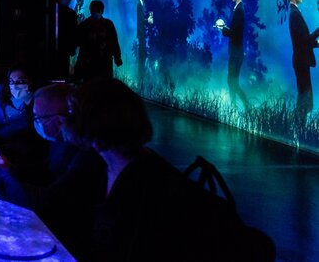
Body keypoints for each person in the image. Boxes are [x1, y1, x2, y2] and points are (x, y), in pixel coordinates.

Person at [73, 78, 273, 261]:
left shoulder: (156, 191)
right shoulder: (112, 169)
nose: (65, 121)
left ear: (96, 124)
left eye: (72, 114)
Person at [0, 84, 105, 259]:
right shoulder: (61, 142)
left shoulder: (86, 155)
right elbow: (44, 170)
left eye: (38, 118)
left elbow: (45, 202)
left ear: (60, 120)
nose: (36, 122)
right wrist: (7, 168)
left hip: (65, 242)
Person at [283, 0, 319, 128]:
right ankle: (294, 128)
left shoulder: (295, 12)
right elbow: (304, 41)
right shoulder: (294, 14)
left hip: (301, 61)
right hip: (301, 61)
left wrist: (317, 43)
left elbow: (303, 41)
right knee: (305, 100)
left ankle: (294, 128)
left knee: (305, 99)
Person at [216, 0, 252, 112]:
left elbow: (235, 34)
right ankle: (236, 107)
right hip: (236, 52)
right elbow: (235, 31)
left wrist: (223, 29)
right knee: (232, 81)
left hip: (236, 53)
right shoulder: (238, 9)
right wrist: (225, 28)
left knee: (232, 82)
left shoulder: (239, 10)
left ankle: (244, 106)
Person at [76, 0, 122, 82]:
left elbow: (114, 41)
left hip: (101, 62)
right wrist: (117, 58)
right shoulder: (85, 25)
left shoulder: (85, 25)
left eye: (97, 10)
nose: (96, 13)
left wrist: (117, 57)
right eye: (94, 10)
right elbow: (114, 42)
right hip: (92, 62)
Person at [55, 0, 78, 80]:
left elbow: (74, 32)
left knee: (62, 73)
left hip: (64, 49)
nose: (68, 0)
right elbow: (74, 32)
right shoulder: (71, 13)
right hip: (61, 48)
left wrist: (72, 48)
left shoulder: (71, 14)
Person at [135, 0, 152, 86]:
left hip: (142, 33)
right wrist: (147, 21)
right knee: (142, 55)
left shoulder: (141, 4)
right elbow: (140, 20)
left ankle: (141, 78)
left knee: (142, 55)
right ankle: (140, 79)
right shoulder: (139, 4)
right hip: (141, 34)